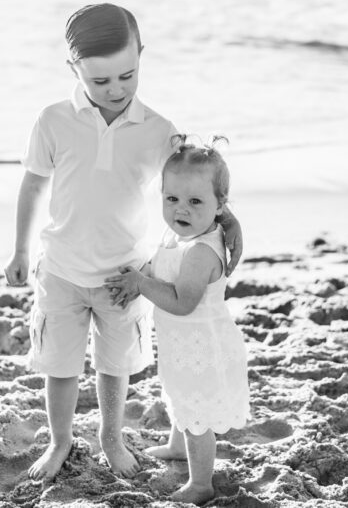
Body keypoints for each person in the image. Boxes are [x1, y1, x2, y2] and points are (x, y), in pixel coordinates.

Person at [3, 3, 243, 483]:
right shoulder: (53, 120)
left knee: (115, 366)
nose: (115, 90)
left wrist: (226, 221)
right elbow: (33, 184)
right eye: (100, 81)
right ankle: (60, 441)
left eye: (127, 76)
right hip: (62, 268)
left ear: (141, 57)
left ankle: (111, 438)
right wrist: (21, 250)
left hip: (126, 276)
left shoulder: (157, 130)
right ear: (75, 70)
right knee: (61, 364)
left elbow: (189, 190)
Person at [105, 139, 249, 506]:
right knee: (179, 395)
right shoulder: (179, 234)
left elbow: (183, 302)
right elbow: (158, 266)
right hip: (180, 342)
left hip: (201, 343)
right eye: (172, 200)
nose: (181, 210)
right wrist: (139, 275)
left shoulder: (202, 251)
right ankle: (175, 445)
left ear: (221, 206)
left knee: (196, 412)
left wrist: (141, 284)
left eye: (195, 202)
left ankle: (201, 484)